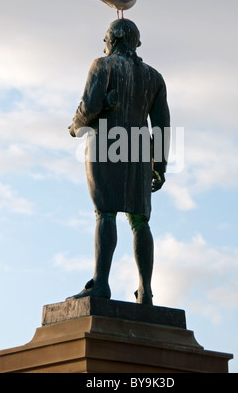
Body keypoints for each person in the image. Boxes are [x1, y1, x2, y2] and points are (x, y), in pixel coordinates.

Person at [68, 19, 170, 305]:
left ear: (114, 38)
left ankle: (101, 283)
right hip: (138, 149)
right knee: (140, 221)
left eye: (105, 39)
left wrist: (75, 127)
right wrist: (159, 164)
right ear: (134, 42)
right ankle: (146, 290)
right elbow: (161, 125)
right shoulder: (154, 77)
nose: (103, 45)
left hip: (106, 143)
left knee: (106, 213)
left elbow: (88, 107)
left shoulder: (103, 66)